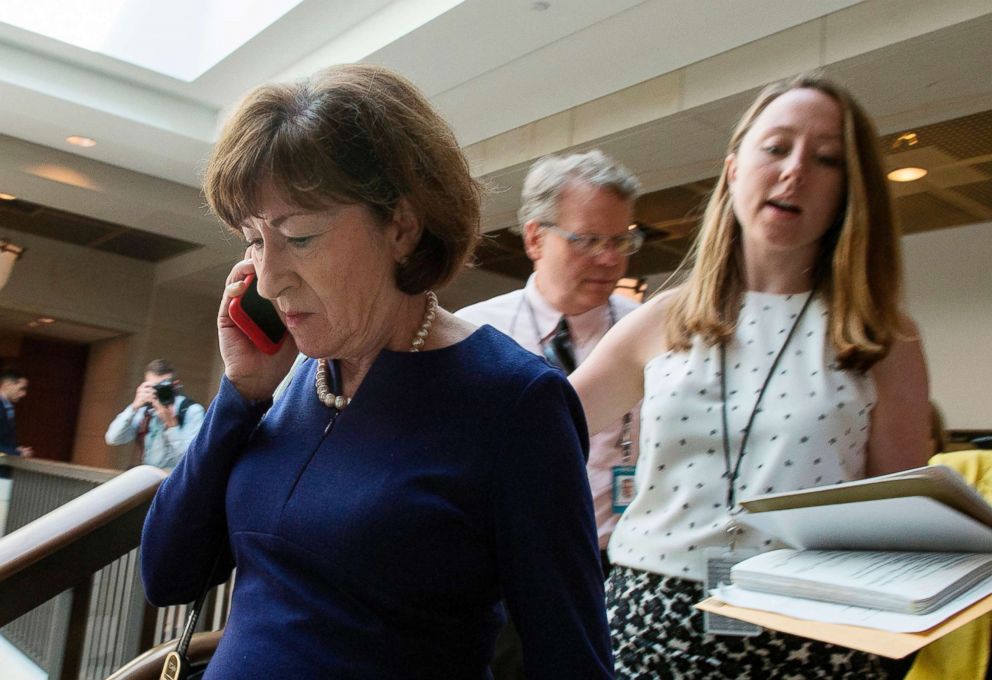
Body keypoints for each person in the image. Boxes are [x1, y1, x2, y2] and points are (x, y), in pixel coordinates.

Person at [140, 64, 612, 679]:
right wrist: (241, 394)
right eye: (253, 240)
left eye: (299, 237)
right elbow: (168, 573)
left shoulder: (516, 402)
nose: (268, 275)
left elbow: (570, 659)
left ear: (402, 227)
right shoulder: (295, 386)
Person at [571, 72, 930, 678]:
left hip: (812, 625)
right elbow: (538, 428)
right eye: (776, 147)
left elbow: (897, 523)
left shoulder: (879, 334)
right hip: (652, 617)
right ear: (734, 168)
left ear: (849, 191)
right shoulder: (664, 319)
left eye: (826, 159)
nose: (795, 172)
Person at [457, 150, 640, 680]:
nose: (610, 259)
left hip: (614, 570)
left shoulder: (650, 335)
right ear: (535, 237)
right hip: (501, 580)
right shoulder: (472, 337)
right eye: (588, 240)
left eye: (621, 241)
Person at [105, 359, 204, 470]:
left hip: (175, 481)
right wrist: (134, 407)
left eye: (163, 386)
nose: (158, 391)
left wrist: (172, 426)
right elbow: (113, 438)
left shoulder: (191, 411)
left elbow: (193, 458)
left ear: (175, 385)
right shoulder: (145, 411)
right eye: (154, 388)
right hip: (148, 478)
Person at [0, 369, 33, 459]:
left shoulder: (7, 406)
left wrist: (16, 449)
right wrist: (15, 452)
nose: (23, 394)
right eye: (21, 388)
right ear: (7, 385)